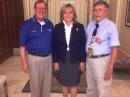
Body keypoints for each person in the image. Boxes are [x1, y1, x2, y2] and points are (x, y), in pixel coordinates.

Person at [19, 0, 54, 97]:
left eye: (43, 8)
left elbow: (53, 43)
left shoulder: (50, 24)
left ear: (46, 10)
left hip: (48, 59)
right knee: (35, 87)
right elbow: (22, 46)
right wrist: (24, 62)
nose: (41, 10)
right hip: (34, 59)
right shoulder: (26, 25)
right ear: (34, 10)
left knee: (46, 86)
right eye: (38, 8)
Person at [86, 1, 120, 97]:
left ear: (106, 12)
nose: (97, 13)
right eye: (95, 10)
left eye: (100, 10)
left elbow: (115, 47)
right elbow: (88, 42)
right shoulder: (90, 24)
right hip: (89, 59)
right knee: (91, 88)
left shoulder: (111, 26)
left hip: (102, 62)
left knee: (102, 90)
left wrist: (110, 67)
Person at [52, 3, 86, 97]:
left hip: (75, 59)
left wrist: (83, 61)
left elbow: (83, 45)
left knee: (74, 83)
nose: (67, 15)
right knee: (64, 83)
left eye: (70, 12)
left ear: (74, 14)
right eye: (65, 12)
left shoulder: (80, 27)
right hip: (62, 59)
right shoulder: (57, 27)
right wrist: (55, 61)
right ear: (62, 14)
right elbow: (54, 46)